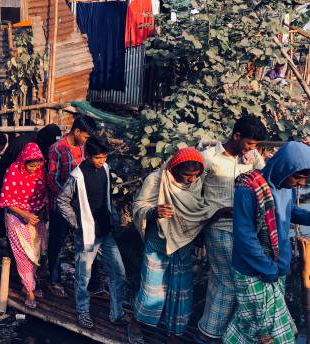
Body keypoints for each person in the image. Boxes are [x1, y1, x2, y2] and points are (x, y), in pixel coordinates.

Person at [129, 147, 221, 343]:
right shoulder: (156, 180)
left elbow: (197, 210)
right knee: (151, 289)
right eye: (187, 175)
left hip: (183, 246)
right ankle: (136, 323)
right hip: (158, 243)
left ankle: (173, 334)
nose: (191, 180)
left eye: (195, 176)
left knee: (181, 292)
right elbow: (139, 206)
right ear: (175, 168)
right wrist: (155, 212)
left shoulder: (196, 185)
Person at [224, 142, 310, 343]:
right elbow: (245, 236)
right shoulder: (248, 189)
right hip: (252, 269)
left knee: (256, 324)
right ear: (283, 167)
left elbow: (288, 212)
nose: (301, 183)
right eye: (298, 176)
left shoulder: (285, 187)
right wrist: (267, 268)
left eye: (305, 179)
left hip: (278, 266)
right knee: (266, 331)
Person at [196, 115, 268, 343]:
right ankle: (207, 336)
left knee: (226, 280)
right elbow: (193, 193)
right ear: (236, 136)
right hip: (218, 226)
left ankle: (223, 333)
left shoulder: (252, 157)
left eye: (255, 145)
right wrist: (210, 215)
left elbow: (263, 181)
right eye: (249, 143)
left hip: (246, 230)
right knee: (228, 281)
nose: (252, 149)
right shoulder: (208, 158)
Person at [56, 136, 125, 329]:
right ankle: (83, 313)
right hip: (87, 234)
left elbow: (107, 198)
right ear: (87, 155)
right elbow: (62, 200)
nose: (101, 160)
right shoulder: (77, 176)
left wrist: (114, 220)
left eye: (104, 157)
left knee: (118, 273)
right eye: (97, 157)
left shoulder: (106, 169)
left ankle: (117, 314)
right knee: (83, 277)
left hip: (106, 232)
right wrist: (77, 223)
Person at [46, 116, 97, 298]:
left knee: (84, 241)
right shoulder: (57, 149)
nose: (87, 140)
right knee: (57, 243)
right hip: (59, 205)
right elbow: (51, 178)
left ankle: (89, 281)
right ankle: (53, 280)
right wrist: (65, 199)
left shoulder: (83, 148)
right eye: (85, 136)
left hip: (79, 205)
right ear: (76, 131)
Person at [0, 142, 49, 308]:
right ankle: (29, 291)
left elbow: (44, 195)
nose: (34, 168)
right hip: (17, 216)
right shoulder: (13, 171)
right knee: (23, 255)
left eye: (37, 165)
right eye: (31, 165)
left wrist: (38, 213)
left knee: (35, 252)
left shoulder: (41, 172)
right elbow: (6, 200)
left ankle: (28, 283)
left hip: (34, 216)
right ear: (23, 162)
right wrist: (25, 214)